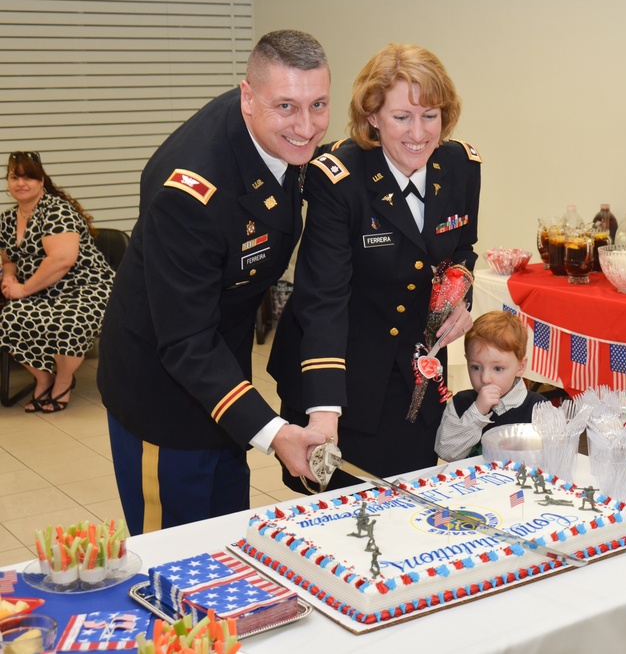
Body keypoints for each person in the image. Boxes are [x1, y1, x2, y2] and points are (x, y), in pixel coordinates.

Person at [97, 29, 331, 535]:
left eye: (319, 105)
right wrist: (275, 433)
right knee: (175, 560)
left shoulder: (277, 132)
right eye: (287, 106)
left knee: (227, 538)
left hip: (224, 370)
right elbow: (184, 342)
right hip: (163, 388)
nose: (306, 126)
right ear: (248, 97)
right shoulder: (190, 193)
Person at [268, 43, 481, 492]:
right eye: (402, 117)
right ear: (372, 116)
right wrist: (325, 410)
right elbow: (324, 300)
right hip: (342, 368)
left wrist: (461, 294)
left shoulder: (460, 165)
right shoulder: (338, 179)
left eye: (431, 116)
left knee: (410, 499)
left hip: (414, 375)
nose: (419, 133)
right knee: (338, 514)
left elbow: (462, 246)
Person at [0, 151, 115, 413]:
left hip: (86, 287)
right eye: (14, 177)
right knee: (10, 319)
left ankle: (63, 382)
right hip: (42, 290)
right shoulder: (6, 220)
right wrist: (9, 278)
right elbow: (8, 260)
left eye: (28, 177)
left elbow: (62, 260)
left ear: (41, 180)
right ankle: (44, 379)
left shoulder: (57, 210)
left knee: (69, 322)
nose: (21, 183)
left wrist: (23, 289)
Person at [434, 310, 548, 462]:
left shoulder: (539, 408)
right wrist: (477, 413)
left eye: (498, 368)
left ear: (520, 367)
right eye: (476, 367)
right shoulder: (461, 403)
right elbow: (446, 452)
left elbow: (554, 456)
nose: (485, 379)